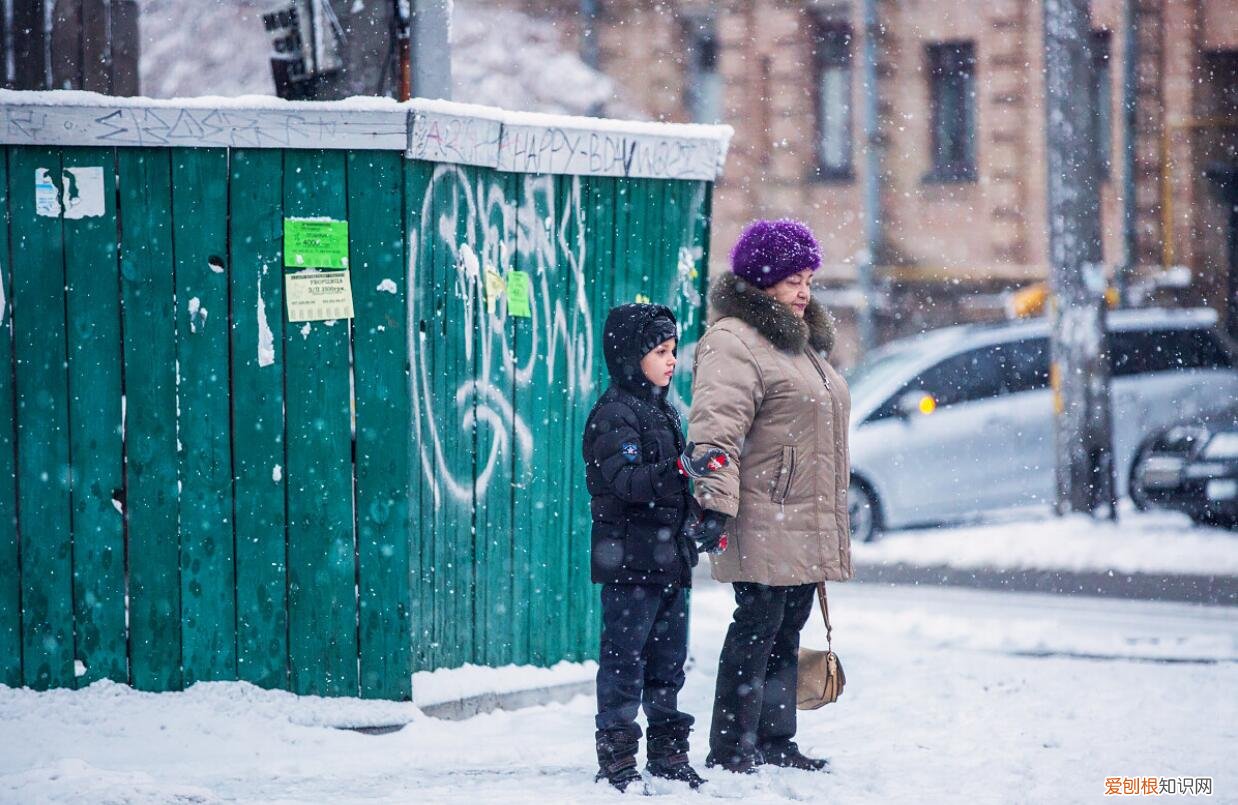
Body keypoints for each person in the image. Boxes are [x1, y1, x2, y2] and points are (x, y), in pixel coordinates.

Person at [687, 219, 853, 775]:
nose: (803, 291)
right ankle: (733, 746)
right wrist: (714, 503)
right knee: (757, 624)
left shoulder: (798, 343)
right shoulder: (734, 343)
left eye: (807, 278)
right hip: (762, 510)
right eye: (790, 280)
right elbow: (716, 432)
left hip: (801, 515)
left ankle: (776, 739)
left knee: (787, 626)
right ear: (760, 282)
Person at [582, 303, 728, 791]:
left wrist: (701, 520)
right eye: (661, 351)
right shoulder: (614, 414)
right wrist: (680, 469)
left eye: (672, 350)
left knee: (668, 663)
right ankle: (618, 757)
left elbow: (672, 491)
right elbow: (625, 483)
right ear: (630, 355)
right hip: (629, 565)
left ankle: (668, 753)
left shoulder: (662, 409)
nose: (671, 361)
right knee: (625, 662)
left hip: (668, 564)